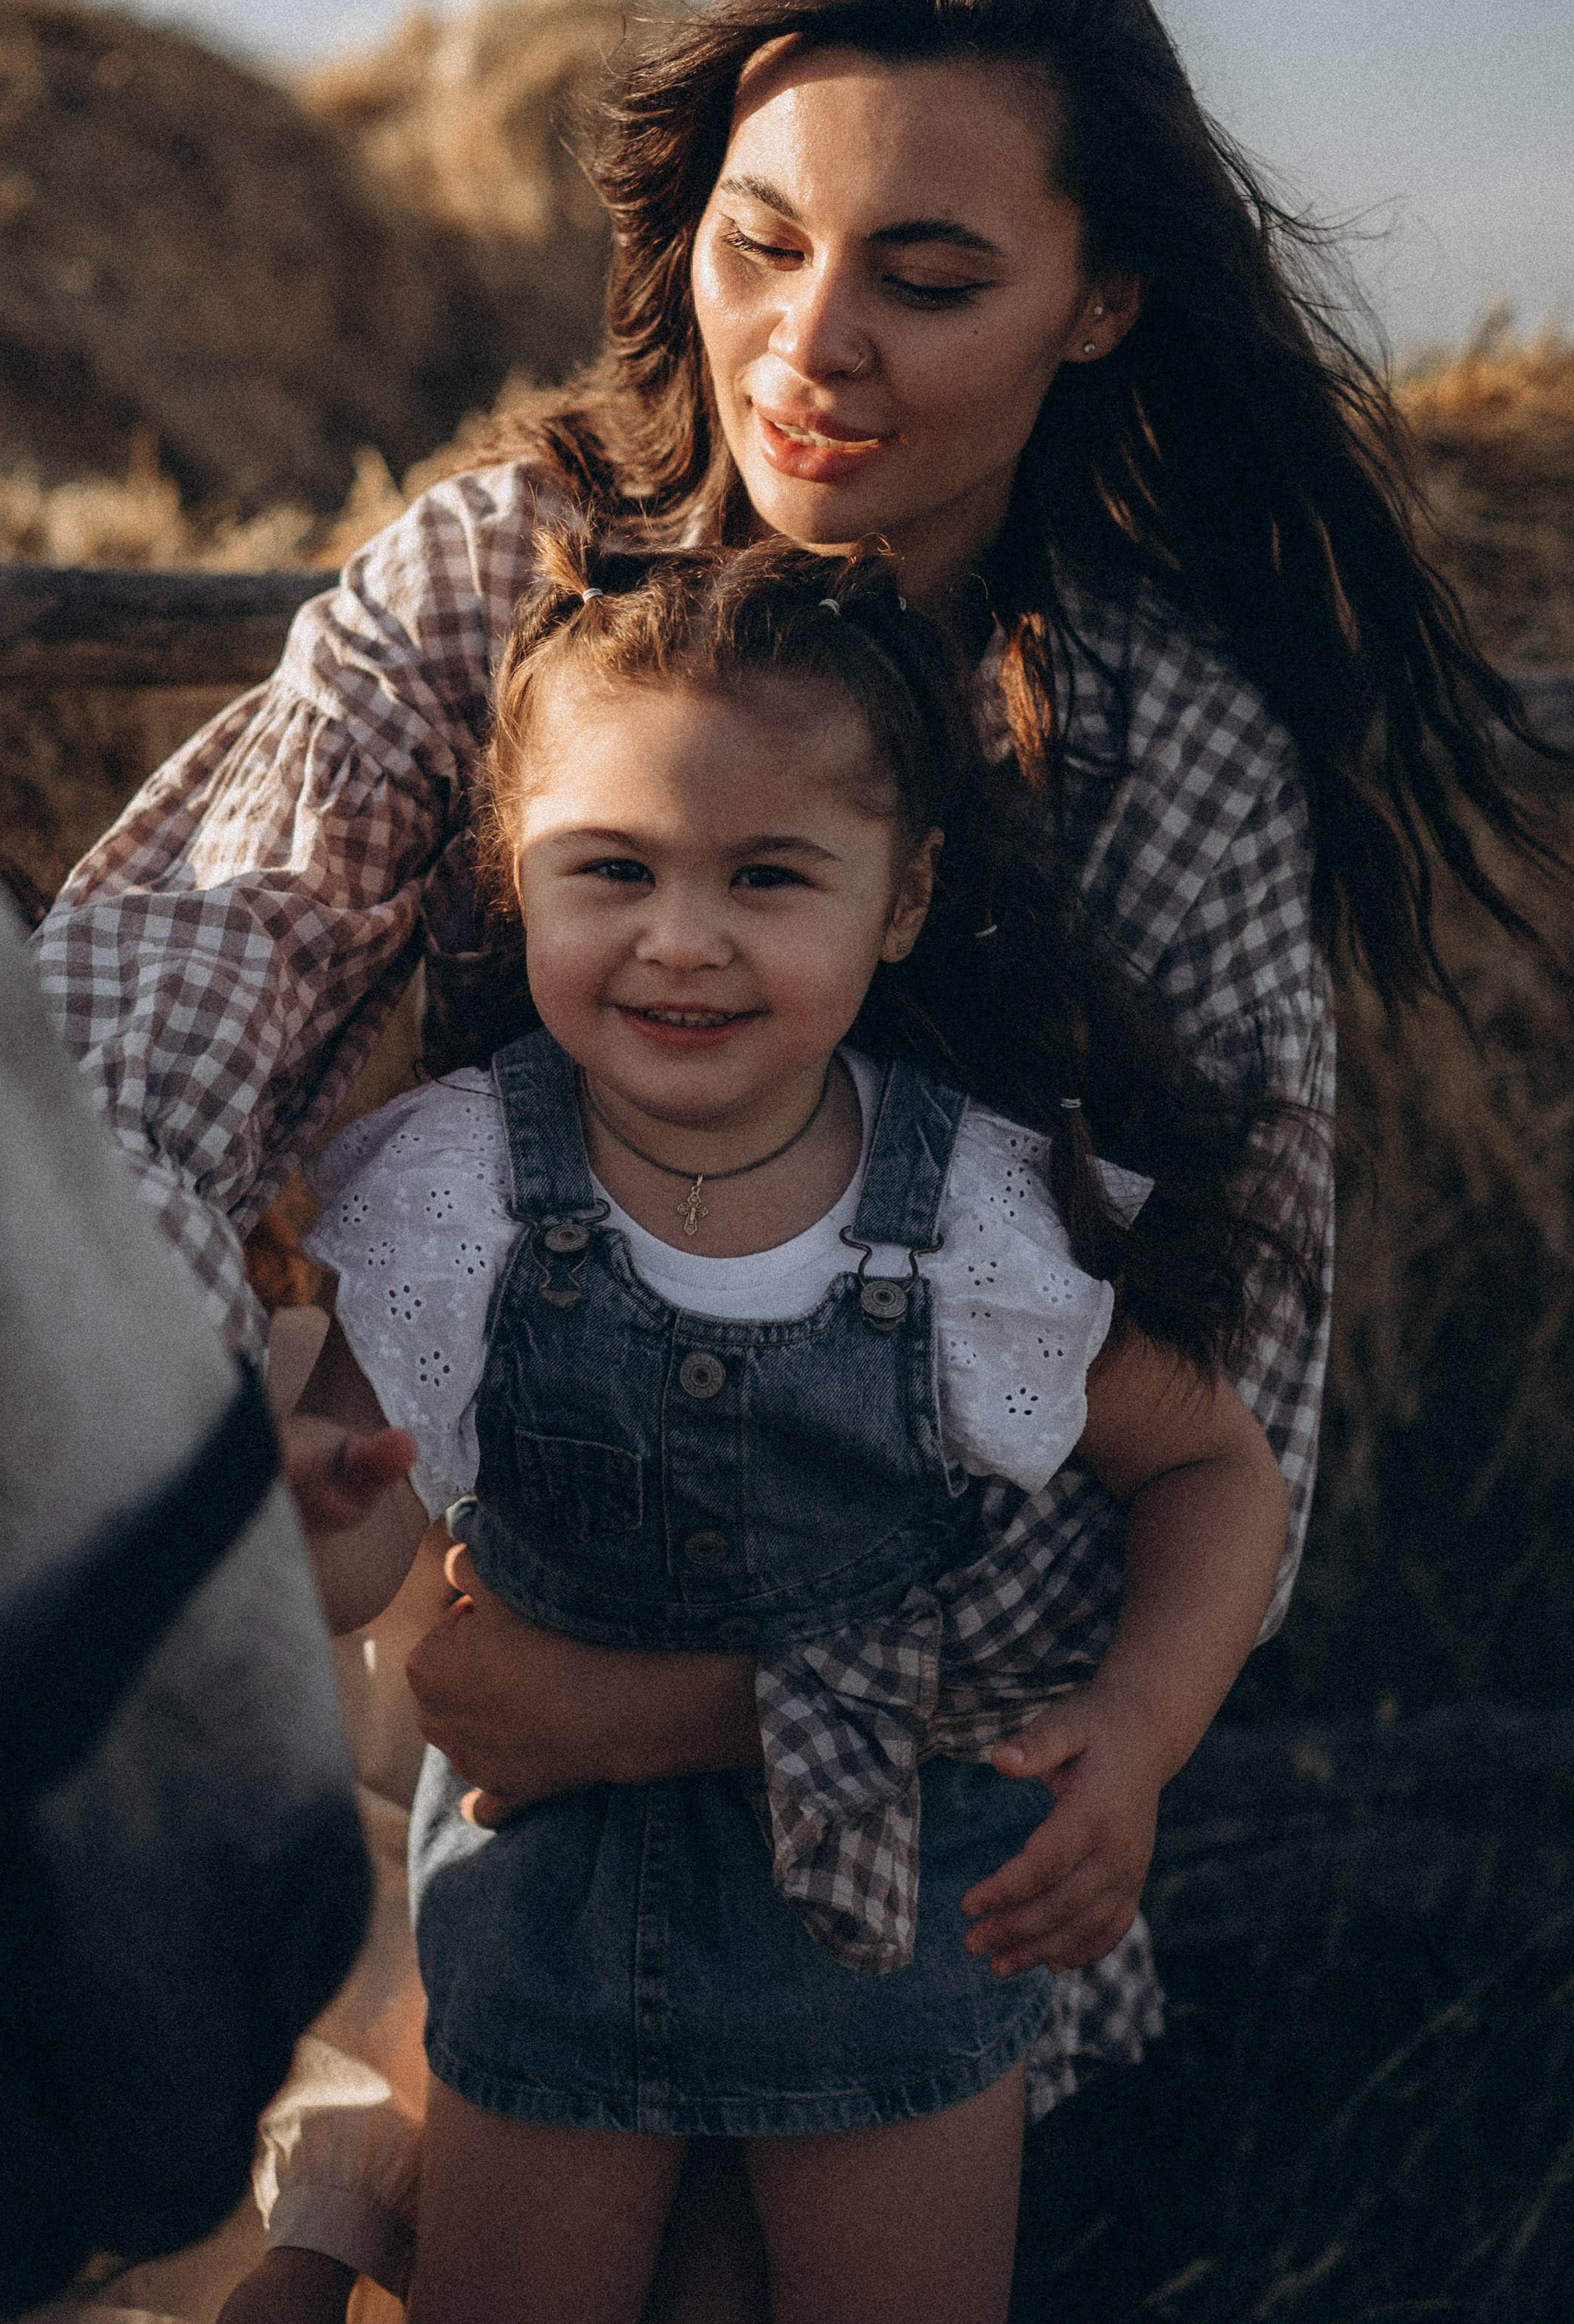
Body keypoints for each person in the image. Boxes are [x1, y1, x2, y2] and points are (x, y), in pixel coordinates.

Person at [35, 0, 1547, 2258]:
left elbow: (1219, 1412)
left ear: (1098, 302)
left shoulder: (1170, 751)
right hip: (506, 1740)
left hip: (931, 1806)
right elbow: (168, 980)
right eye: (759, 243)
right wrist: (195, 1400)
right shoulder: (499, 582)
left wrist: (701, 1703)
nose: (806, 344)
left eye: (926, 278)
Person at [226, 533, 1292, 2324]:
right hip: (550, 1891)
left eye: (771, 875)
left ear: (903, 894)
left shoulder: (979, 1214)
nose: (684, 938)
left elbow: (1211, 1464)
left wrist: (1137, 1724)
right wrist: (317, 1509)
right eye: (613, 868)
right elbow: (355, 1546)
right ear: (516, 870)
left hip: (898, 1911)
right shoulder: (456, 1183)